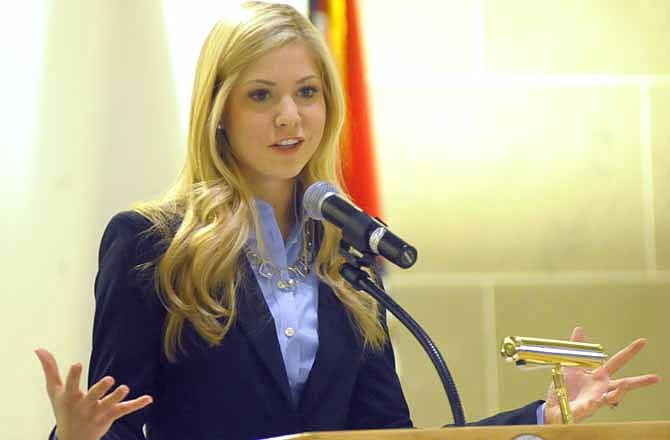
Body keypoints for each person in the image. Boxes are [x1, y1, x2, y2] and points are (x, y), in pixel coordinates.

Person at [35, 2, 660, 440]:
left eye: (307, 92)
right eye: (262, 94)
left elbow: (390, 439)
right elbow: (115, 424)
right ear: (219, 110)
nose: (290, 117)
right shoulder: (151, 246)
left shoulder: (347, 260)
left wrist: (543, 417)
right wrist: (76, 437)